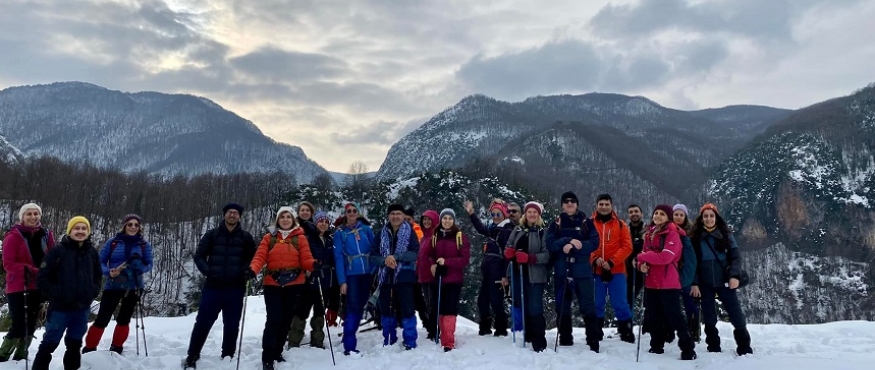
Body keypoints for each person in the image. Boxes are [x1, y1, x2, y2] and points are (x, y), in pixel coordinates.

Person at [184, 203, 257, 369]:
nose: (232, 215)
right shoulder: (212, 235)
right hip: (213, 287)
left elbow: (253, 258)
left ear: (239, 216)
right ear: (224, 215)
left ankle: (228, 355)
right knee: (203, 322)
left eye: (236, 213)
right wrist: (208, 271)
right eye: (230, 212)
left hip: (235, 287)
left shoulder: (246, 237)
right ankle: (192, 355)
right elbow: (199, 256)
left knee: (232, 324)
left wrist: (246, 271)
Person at [248, 206, 315, 370]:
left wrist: (314, 265)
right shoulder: (268, 238)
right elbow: (260, 257)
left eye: (288, 217)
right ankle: (268, 358)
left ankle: (277, 352)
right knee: (273, 320)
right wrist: (252, 270)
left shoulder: (300, 238)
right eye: (282, 216)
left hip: (294, 285)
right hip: (273, 284)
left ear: (293, 220)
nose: (285, 219)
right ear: (278, 220)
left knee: (286, 321)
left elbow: (306, 259)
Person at [32, 216, 102, 370]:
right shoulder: (58, 251)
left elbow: (98, 275)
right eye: (76, 228)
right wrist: (56, 293)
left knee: (74, 344)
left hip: (82, 308)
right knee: (49, 343)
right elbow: (42, 278)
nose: (80, 231)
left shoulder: (92, 252)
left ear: (88, 232)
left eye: (84, 228)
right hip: (60, 309)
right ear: (70, 230)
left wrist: (93, 291)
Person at [83, 214, 154, 354]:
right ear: (124, 226)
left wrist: (139, 267)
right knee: (102, 318)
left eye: (136, 225)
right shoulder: (113, 242)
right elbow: (100, 262)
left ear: (140, 227)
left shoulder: (144, 245)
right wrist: (109, 272)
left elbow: (149, 264)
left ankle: (117, 347)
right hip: (113, 285)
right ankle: (90, 348)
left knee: (124, 319)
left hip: (133, 286)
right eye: (130, 224)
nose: (133, 227)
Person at [690, 203, 753, 356]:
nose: (709, 219)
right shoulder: (696, 238)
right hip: (705, 284)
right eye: (706, 216)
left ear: (716, 217)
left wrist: (734, 276)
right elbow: (693, 264)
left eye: (711, 216)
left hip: (725, 281)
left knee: (735, 314)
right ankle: (713, 346)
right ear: (701, 218)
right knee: (709, 317)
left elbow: (736, 258)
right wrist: (695, 283)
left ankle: (744, 346)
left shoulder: (726, 235)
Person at [636, 204, 697, 360]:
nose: (657, 216)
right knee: (654, 316)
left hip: (668, 283)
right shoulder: (650, 234)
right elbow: (643, 257)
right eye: (656, 213)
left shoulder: (673, 234)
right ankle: (656, 346)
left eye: (662, 214)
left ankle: (688, 348)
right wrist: (640, 265)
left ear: (668, 217)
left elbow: (666, 257)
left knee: (675, 316)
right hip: (651, 281)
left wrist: (642, 257)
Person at [544, 192, 600, 351]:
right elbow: (550, 244)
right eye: (566, 201)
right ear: (562, 205)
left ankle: (593, 341)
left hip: (582, 271)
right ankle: (565, 339)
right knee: (562, 306)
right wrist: (567, 241)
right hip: (562, 270)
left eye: (572, 201)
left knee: (588, 305)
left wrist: (579, 245)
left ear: (577, 204)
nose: (569, 203)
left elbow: (595, 242)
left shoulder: (587, 222)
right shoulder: (556, 223)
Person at [1, 203, 55, 362]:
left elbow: (53, 257)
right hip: (18, 286)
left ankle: (21, 354)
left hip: (38, 286)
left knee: (32, 322)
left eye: (36, 214)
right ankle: (3, 354)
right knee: (18, 322)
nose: (33, 217)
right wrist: (30, 270)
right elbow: (8, 264)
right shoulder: (13, 236)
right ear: (22, 217)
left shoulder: (46, 235)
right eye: (29, 214)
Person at [371, 204, 420, 350]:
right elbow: (373, 255)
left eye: (398, 213)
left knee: (407, 309)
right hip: (385, 277)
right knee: (386, 310)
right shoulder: (381, 233)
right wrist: (385, 260)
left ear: (403, 216)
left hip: (405, 277)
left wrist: (396, 257)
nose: (395, 216)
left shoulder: (409, 232)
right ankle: (389, 339)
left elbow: (414, 253)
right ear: (388, 216)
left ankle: (410, 341)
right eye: (392, 213)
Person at [504, 201, 551, 353]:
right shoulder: (518, 229)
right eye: (529, 212)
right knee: (522, 304)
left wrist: (530, 258)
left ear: (539, 215)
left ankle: (539, 342)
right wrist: (509, 253)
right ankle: (528, 336)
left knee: (535, 308)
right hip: (518, 274)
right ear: (525, 214)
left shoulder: (543, 232)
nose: (532, 214)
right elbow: (509, 246)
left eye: (535, 212)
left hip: (536, 276)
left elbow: (547, 255)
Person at [288, 211, 338, 349]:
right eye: (321, 221)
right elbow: (299, 256)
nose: (323, 224)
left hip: (325, 280)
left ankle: (317, 340)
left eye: (326, 222)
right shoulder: (308, 238)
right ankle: (294, 341)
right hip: (309, 280)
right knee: (301, 311)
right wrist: (306, 268)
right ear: (316, 223)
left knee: (320, 311)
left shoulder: (329, 240)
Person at [465, 199, 513, 336]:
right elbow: (480, 228)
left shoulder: (506, 231)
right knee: (482, 301)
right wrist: (471, 213)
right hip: (488, 273)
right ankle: (485, 327)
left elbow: (508, 256)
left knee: (496, 302)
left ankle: (501, 329)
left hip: (498, 274)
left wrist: (505, 275)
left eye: (499, 214)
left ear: (504, 215)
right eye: (493, 214)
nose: (496, 217)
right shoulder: (493, 230)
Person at [589, 194, 634, 343]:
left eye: (606, 204)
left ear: (611, 205)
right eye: (601, 204)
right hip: (596, 271)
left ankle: (626, 333)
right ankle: (596, 332)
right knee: (597, 303)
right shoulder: (588, 224)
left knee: (620, 302)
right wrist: (595, 259)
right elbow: (584, 245)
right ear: (596, 205)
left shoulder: (620, 224)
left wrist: (612, 262)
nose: (603, 207)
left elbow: (627, 246)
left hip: (617, 271)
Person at [333, 202, 376, 356]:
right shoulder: (340, 233)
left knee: (360, 306)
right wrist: (342, 281)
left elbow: (375, 249)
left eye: (354, 211)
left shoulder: (366, 230)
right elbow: (338, 258)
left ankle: (348, 335)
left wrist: (373, 270)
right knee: (352, 306)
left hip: (366, 274)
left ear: (358, 213)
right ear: (345, 214)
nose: (351, 213)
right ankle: (349, 345)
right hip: (351, 275)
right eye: (348, 211)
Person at [427, 208, 471, 351]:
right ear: (441, 220)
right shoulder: (435, 236)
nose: (447, 221)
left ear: (454, 220)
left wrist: (446, 262)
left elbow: (464, 260)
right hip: (439, 278)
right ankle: (441, 336)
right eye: (444, 218)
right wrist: (432, 264)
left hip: (453, 279)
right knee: (439, 307)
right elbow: (430, 254)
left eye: (450, 218)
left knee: (449, 309)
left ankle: (448, 341)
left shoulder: (460, 237)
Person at [286, 201, 322, 348]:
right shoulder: (294, 228)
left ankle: (317, 339)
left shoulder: (316, 228)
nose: (305, 212)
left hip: (317, 272)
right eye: (303, 210)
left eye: (308, 210)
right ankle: (294, 340)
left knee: (319, 308)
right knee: (300, 308)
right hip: (300, 273)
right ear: (298, 212)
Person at [672, 204, 699, 343]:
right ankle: (670, 331)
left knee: (689, 303)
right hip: (671, 273)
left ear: (685, 216)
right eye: (676, 214)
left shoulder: (692, 234)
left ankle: (693, 331)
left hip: (687, 273)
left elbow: (695, 260)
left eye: (681, 215)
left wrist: (695, 282)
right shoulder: (667, 231)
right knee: (671, 303)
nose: (678, 217)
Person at [415, 209, 440, 340]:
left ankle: (435, 329)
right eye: (424, 219)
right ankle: (432, 329)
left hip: (432, 275)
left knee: (433, 303)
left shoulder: (436, 236)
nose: (426, 222)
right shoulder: (424, 236)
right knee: (428, 302)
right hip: (423, 275)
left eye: (429, 219)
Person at [625, 204, 646, 317]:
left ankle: (649, 324)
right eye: (631, 212)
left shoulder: (647, 228)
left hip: (645, 268)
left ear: (641, 213)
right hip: (628, 269)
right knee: (628, 297)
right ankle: (625, 322)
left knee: (649, 298)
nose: (634, 214)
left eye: (636, 211)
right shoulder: (625, 229)